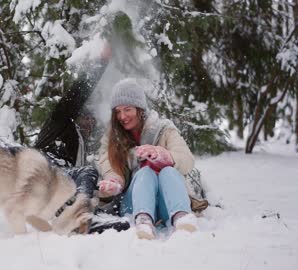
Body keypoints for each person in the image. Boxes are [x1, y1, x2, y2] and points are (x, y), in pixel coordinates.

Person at [34, 45, 130, 234]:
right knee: (88, 172)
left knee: (92, 182)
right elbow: (76, 95)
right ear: (75, 116)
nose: (89, 124)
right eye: (85, 118)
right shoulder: (59, 122)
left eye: (92, 121)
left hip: (57, 185)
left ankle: (86, 219)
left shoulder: (79, 148)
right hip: (41, 171)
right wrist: (101, 63)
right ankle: (80, 218)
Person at [97, 78, 198, 240]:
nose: (122, 116)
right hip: (135, 203)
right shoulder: (112, 138)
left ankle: (182, 218)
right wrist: (114, 182)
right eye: (118, 111)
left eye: (127, 109)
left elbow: (187, 159)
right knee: (145, 173)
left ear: (139, 109)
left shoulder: (164, 130)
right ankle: (143, 221)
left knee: (169, 172)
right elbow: (108, 164)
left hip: (167, 202)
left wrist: (166, 156)